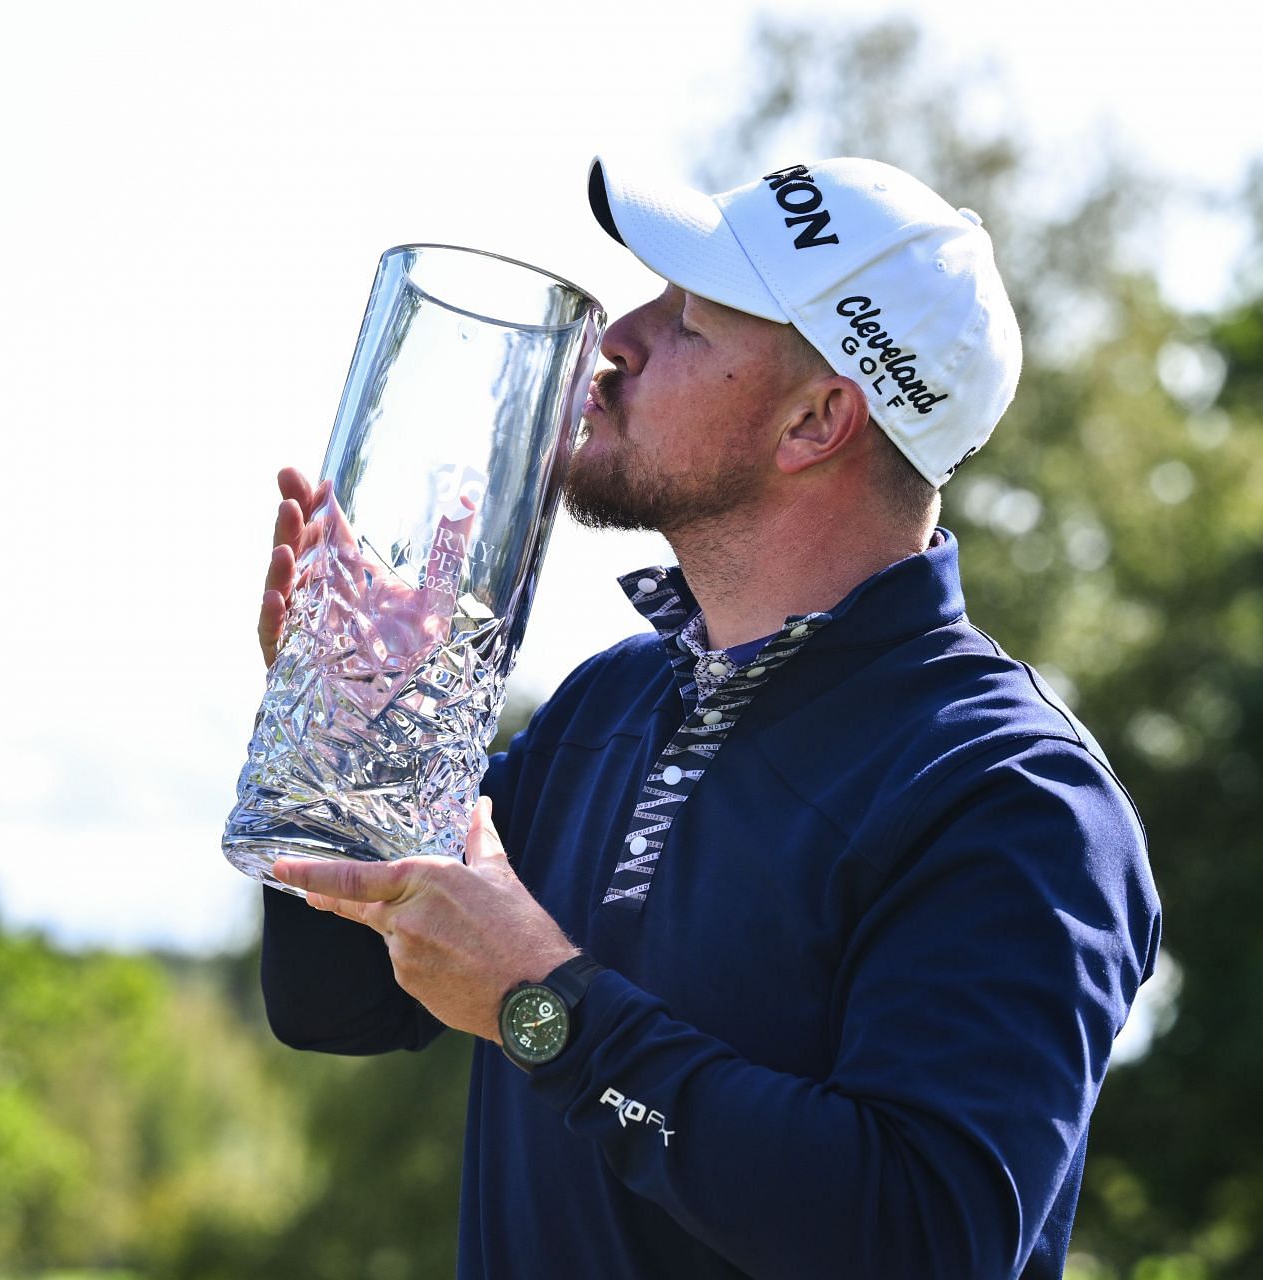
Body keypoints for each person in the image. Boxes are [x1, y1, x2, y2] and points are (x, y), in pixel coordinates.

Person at [255, 156, 1161, 1280]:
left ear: (818, 418)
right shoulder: (612, 701)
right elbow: (335, 1002)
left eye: (686, 317)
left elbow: (925, 1236)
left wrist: (546, 1003)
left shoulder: (1013, 796)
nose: (615, 339)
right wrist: (351, 732)